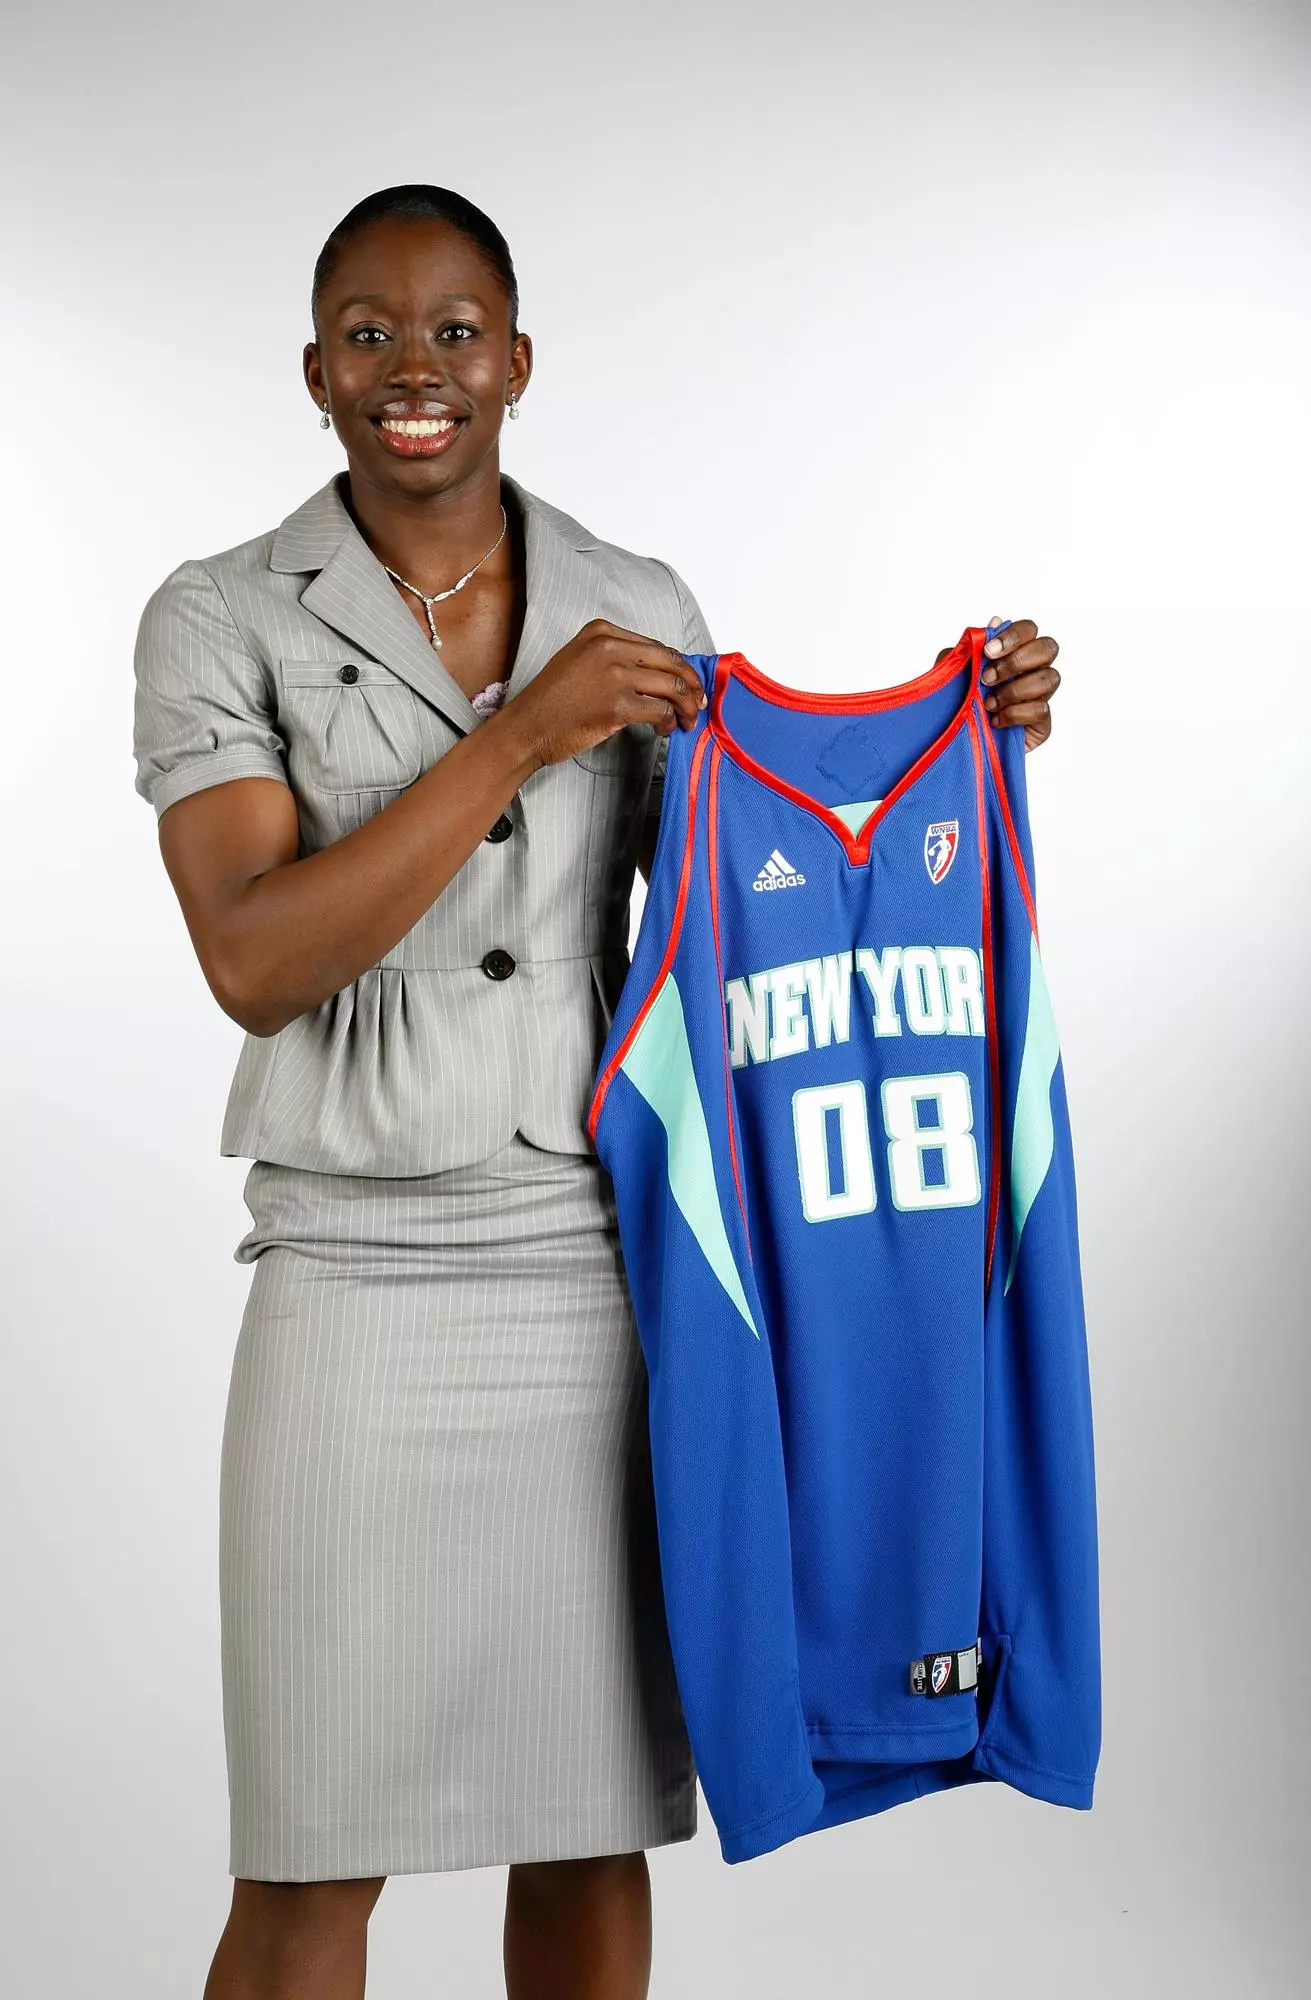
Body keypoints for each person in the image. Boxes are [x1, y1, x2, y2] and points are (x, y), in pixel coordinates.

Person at [131, 184, 1065, 2000]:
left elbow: (766, 862)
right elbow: (253, 955)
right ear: (315, 371)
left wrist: (973, 738)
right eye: (373, 334)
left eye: (456, 330)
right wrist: (516, 736)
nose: (418, 370)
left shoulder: (634, 601)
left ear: (518, 361)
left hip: (595, 1269)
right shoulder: (218, 614)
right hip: (351, 1272)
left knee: (585, 1831)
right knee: (312, 1849)